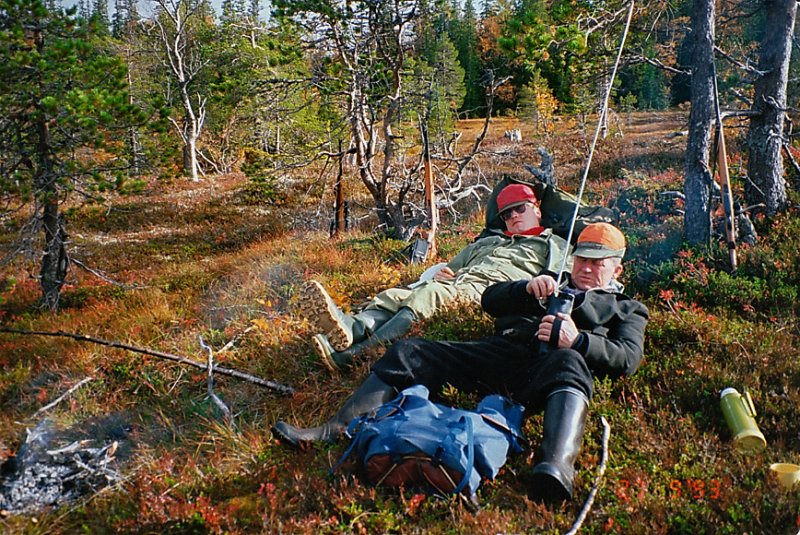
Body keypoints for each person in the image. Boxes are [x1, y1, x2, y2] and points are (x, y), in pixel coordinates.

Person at [274, 222, 649, 504]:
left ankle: (555, 467)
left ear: (617, 269)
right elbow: (491, 301)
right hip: (501, 354)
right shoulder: (550, 281)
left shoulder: (628, 309)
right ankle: (336, 428)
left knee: (569, 362)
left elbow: (627, 358)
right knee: (411, 351)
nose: (586, 268)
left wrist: (578, 340)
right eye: (582, 258)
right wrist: (523, 288)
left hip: (550, 374)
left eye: (598, 263)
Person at [298, 183, 570, 372]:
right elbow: (449, 267)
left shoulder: (553, 243)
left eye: (519, 209)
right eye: (506, 214)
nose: (512, 216)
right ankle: (350, 327)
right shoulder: (486, 242)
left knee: (429, 294)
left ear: (536, 209)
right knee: (397, 294)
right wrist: (440, 272)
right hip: (457, 284)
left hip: (493, 293)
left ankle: (353, 356)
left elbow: (561, 278)